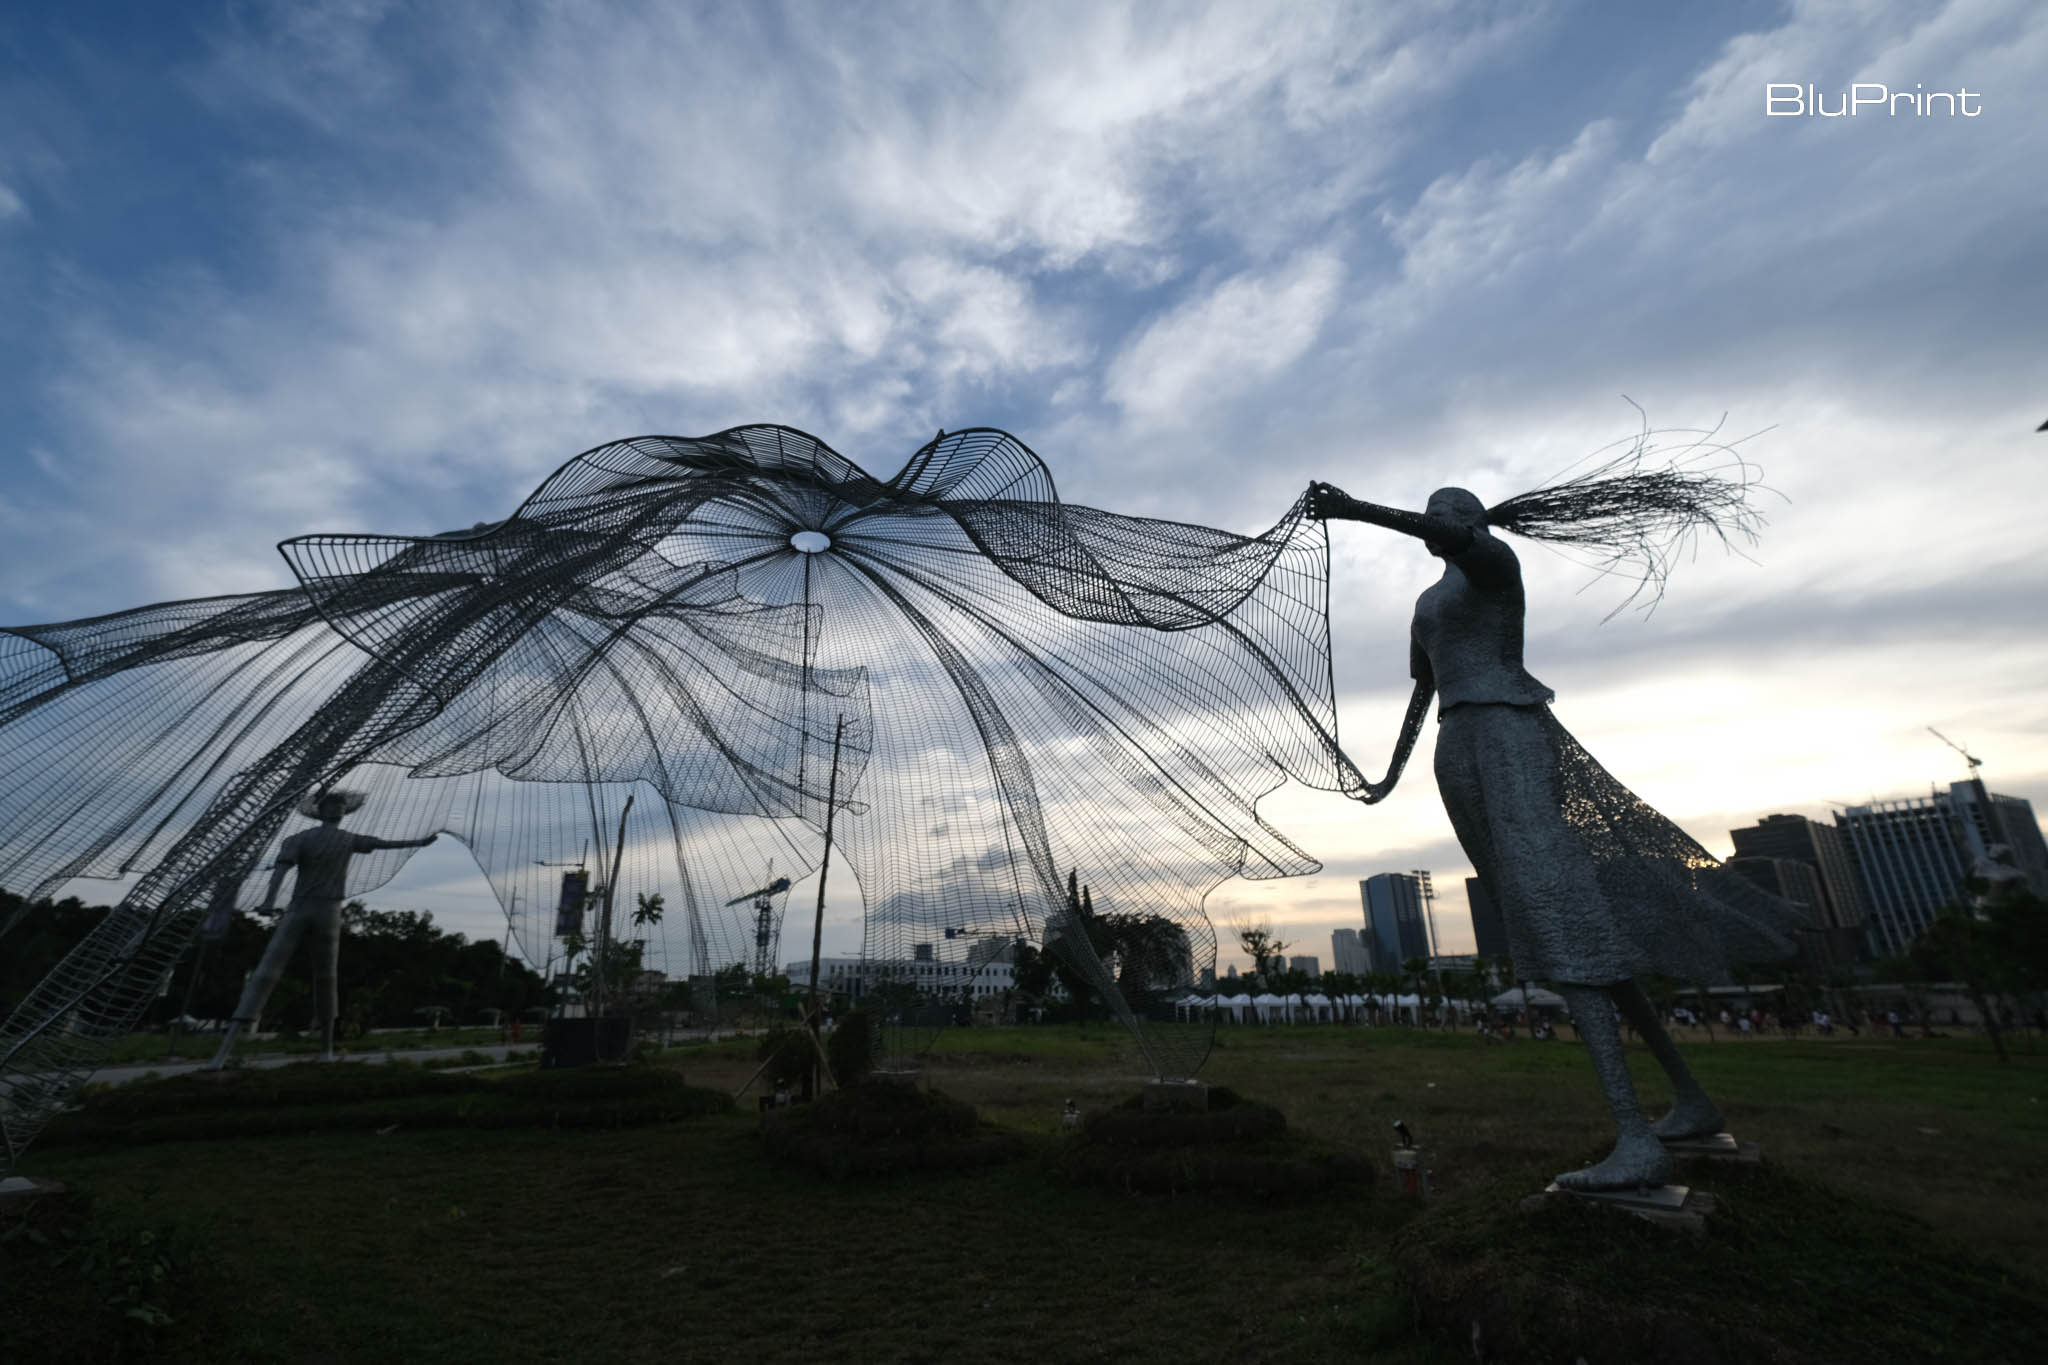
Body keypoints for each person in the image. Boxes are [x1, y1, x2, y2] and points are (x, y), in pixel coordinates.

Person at [1311, 480, 1802, 1191]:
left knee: (1557, 908)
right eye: (1434, 509)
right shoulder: (1425, 606)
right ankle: (1690, 1101)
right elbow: (1424, 687)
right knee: (1565, 921)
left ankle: (1637, 1135)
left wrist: (1357, 509)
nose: (1438, 519)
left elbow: (1461, 545)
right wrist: (1389, 771)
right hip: (1459, 744)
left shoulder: (1496, 564)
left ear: (1475, 521)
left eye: (1452, 510)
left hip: (1509, 730)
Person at [208, 789, 438, 1068]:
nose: (337, 809)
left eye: (341, 805)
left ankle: (326, 1049)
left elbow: (381, 843)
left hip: (330, 909)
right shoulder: (299, 839)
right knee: (267, 970)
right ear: (321, 810)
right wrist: (268, 901)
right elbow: (281, 869)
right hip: (300, 906)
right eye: (332, 805)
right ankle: (224, 1050)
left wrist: (418, 842)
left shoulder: (348, 839)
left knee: (327, 975)